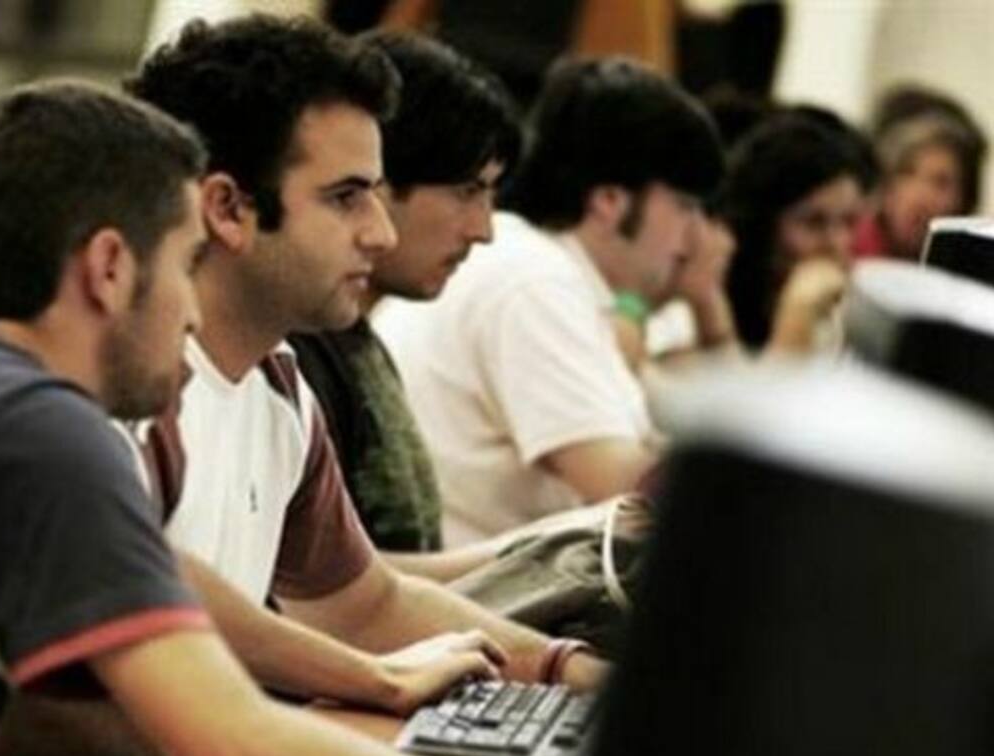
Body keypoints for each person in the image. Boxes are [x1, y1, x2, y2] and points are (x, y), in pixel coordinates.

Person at [0, 77, 569, 756]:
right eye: (185, 262)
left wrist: (374, 680)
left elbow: (161, 572)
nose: (194, 310)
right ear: (109, 268)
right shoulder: (32, 428)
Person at [121, 15, 602, 711]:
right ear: (227, 208)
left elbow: (366, 605)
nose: (380, 233)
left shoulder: (280, 383)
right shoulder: (126, 394)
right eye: (346, 197)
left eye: (376, 194)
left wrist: (575, 675)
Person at [378, 57, 725, 544]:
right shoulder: (534, 282)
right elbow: (629, 488)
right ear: (610, 201)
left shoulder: (550, 274)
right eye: (685, 207)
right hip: (461, 580)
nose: (696, 238)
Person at [287, 30, 520, 573]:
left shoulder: (358, 342)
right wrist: (547, 554)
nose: (484, 230)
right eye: (467, 191)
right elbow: (328, 591)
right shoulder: (291, 356)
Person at [721, 107, 875, 353]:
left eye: (848, 221)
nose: (836, 243)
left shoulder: (840, 319)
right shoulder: (705, 310)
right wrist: (800, 307)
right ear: (762, 225)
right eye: (813, 222)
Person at [854, 83, 987, 262]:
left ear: (963, 200)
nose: (921, 197)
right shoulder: (847, 248)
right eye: (907, 173)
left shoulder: (970, 266)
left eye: (941, 182)